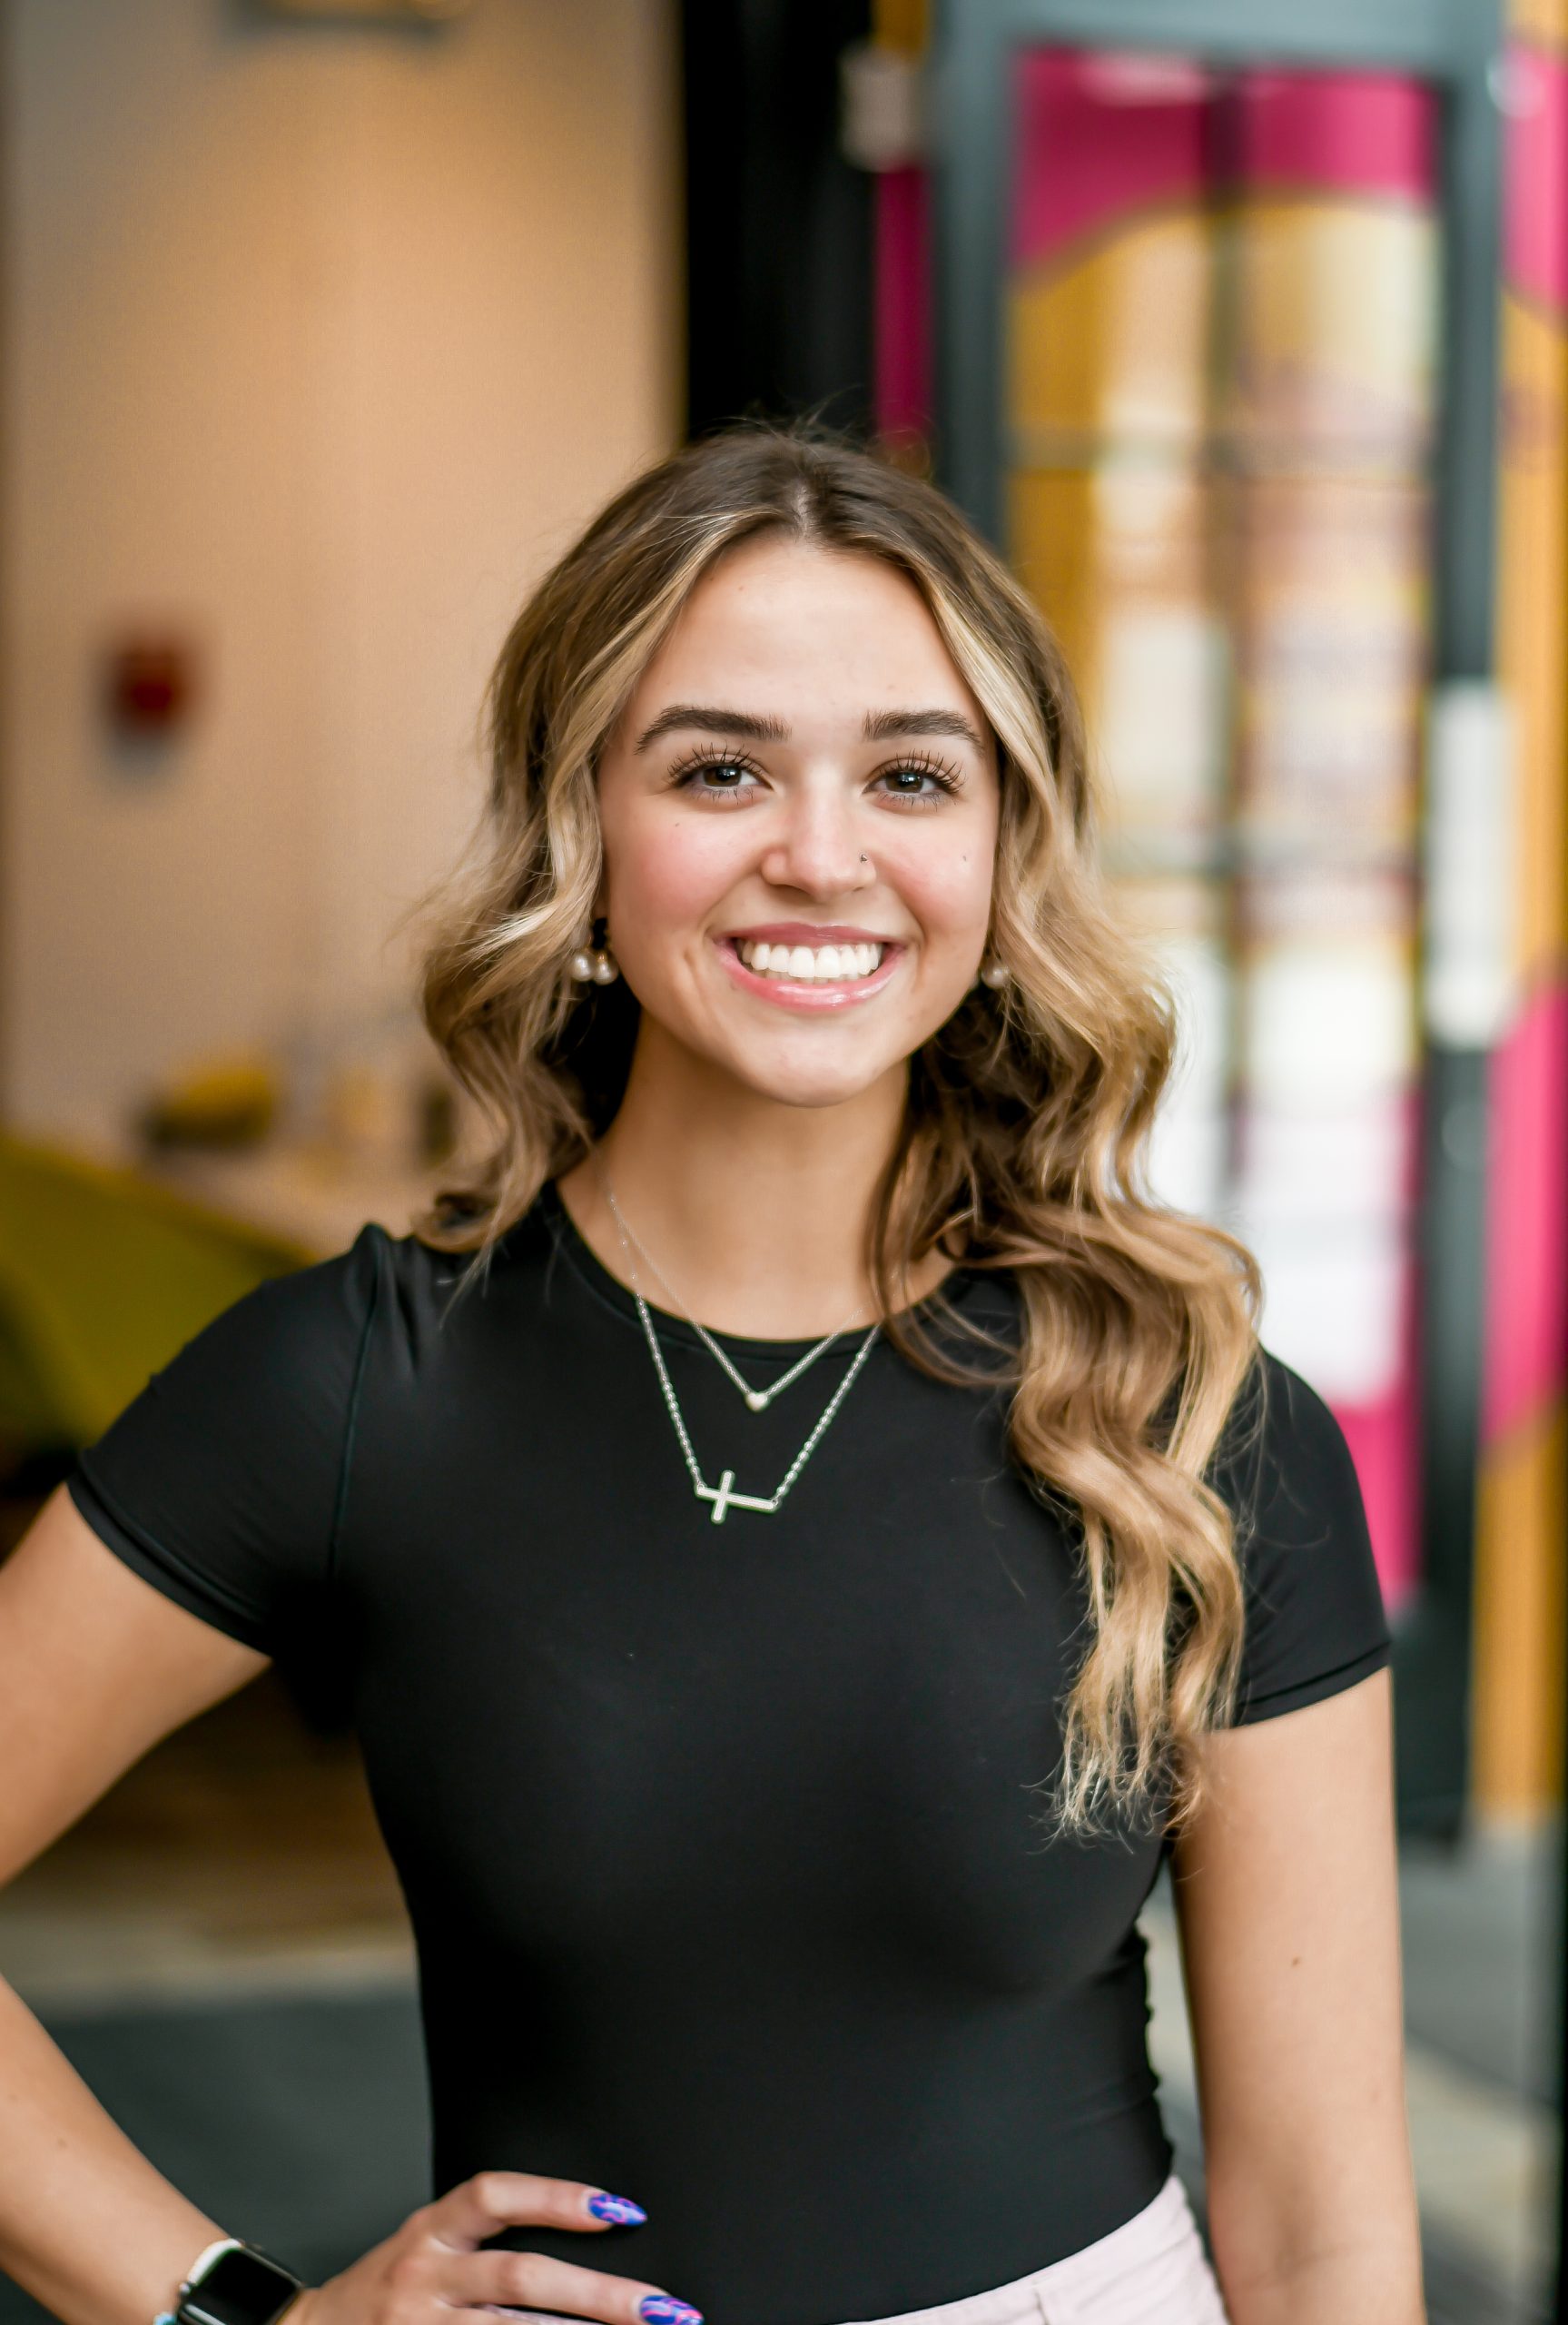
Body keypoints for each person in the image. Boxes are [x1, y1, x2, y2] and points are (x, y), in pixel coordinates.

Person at [0, 425, 1423, 2325]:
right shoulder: (358, 1384)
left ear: (1004, 861)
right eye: (722, 767)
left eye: (913, 773)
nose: (819, 851)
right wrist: (223, 2312)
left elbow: (1321, 2213)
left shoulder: (1195, 1421)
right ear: (585, 833)